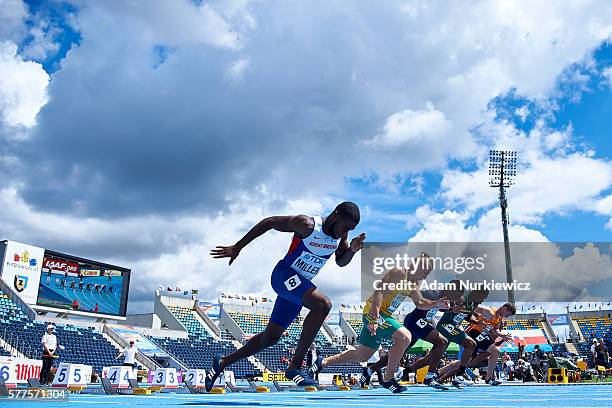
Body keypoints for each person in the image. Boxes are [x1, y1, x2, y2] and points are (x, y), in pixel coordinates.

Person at [206, 202, 364, 390]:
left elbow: (340, 261)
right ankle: (295, 367)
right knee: (323, 305)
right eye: (345, 226)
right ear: (336, 214)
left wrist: (352, 250)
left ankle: (222, 362)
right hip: (284, 275)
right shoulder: (307, 225)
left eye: (350, 229)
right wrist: (238, 246)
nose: (345, 232)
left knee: (271, 338)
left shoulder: (341, 236)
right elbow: (269, 222)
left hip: (299, 288)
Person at [311, 258, 450, 393]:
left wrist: (436, 304)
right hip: (374, 314)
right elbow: (379, 291)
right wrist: (374, 318)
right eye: (425, 271)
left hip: (383, 317)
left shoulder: (413, 285)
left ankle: (323, 362)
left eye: (428, 273)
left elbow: (420, 302)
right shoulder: (399, 273)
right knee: (405, 337)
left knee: (362, 355)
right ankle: (388, 379)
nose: (426, 276)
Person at [362, 279, 465, 390]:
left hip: (418, 322)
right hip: (414, 321)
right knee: (442, 342)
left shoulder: (446, 299)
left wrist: (451, 309)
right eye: (456, 295)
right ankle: (429, 377)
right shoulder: (434, 293)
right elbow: (421, 298)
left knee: (399, 353)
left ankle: (370, 370)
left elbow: (438, 310)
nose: (455, 298)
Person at [433, 289, 490, 387]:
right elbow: (442, 308)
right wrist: (452, 308)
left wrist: (477, 321)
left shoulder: (473, 303)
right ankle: (459, 375)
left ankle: (407, 371)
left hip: (452, 327)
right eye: (483, 298)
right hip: (445, 325)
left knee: (432, 355)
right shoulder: (462, 298)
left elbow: (466, 316)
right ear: (477, 294)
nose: (483, 301)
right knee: (470, 343)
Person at [456, 302, 517, 386]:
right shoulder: (488, 311)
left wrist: (502, 335)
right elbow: (471, 307)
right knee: (495, 351)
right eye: (507, 314)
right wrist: (474, 319)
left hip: (480, 337)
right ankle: (488, 379)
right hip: (473, 333)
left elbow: (495, 330)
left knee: (466, 361)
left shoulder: (499, 318)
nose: (507, 317)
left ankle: (441, 375)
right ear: (504, 308)